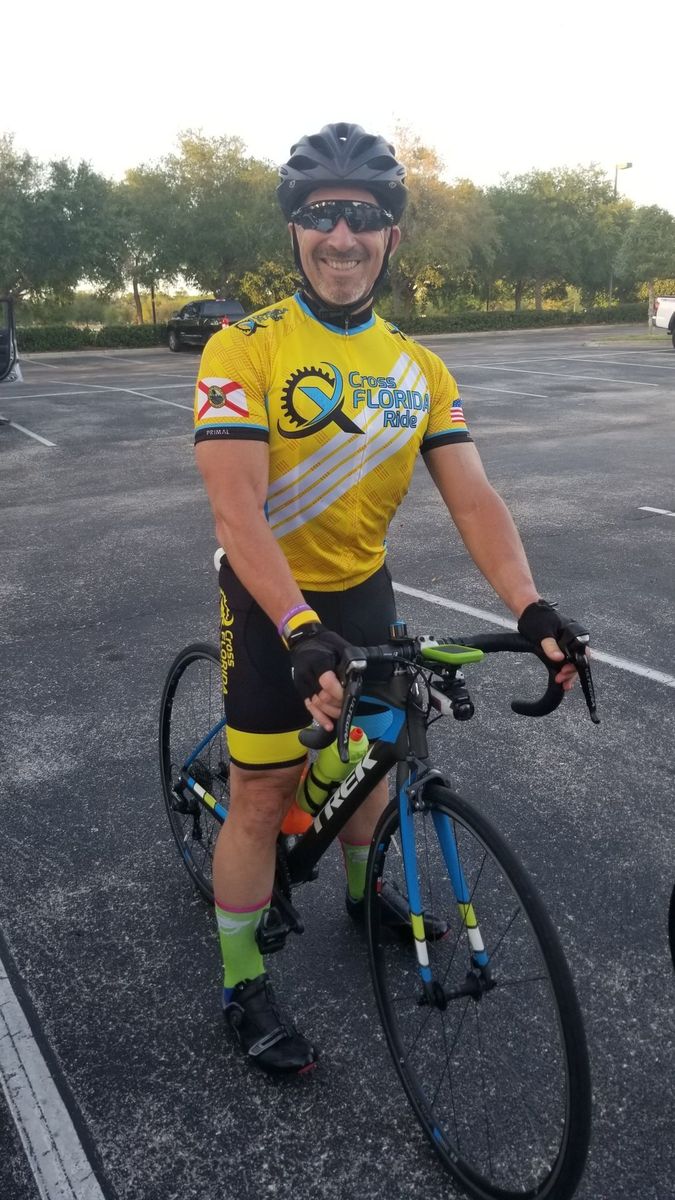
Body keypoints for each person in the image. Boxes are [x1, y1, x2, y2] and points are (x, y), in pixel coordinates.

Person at [193, 122, 586, 1075]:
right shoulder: (242, 348)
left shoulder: (421, 368)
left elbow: (474, 498)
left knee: (370, 771)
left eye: (362, 218)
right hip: (270, 600)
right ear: (294, 230)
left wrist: (530, 607)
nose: (342, 235)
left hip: (363, 591)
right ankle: (241, 981)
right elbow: (236, 510)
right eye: (321, 214)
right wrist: (297, 627)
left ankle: (361, 895)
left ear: (391, 237)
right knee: (260, 796)